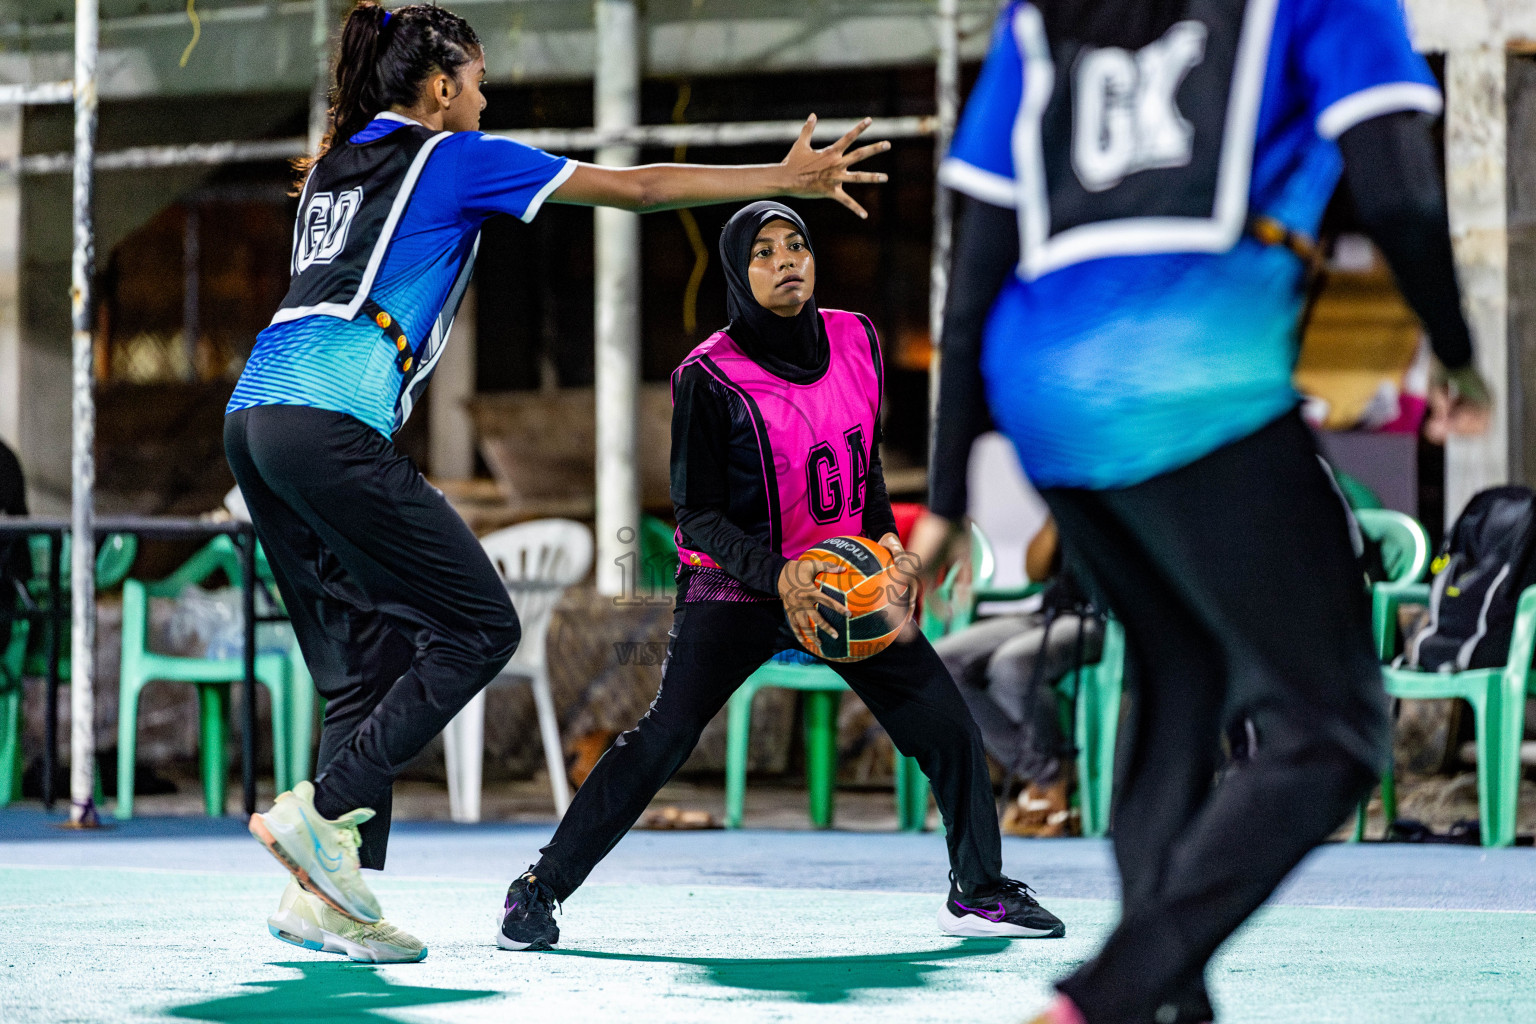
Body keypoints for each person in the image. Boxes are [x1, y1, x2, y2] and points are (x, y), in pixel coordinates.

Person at [234, 2, 890, 965]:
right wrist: (781, 179)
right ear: (444, 86)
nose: (488, 96)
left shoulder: (337, 167)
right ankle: (322, 813)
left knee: (360, 670)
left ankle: (330, 895)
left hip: (253, 423)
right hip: (328, 421)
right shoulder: (454, 155)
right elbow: (634, 188)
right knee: (483, 628)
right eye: (482, 79)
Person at [908, 1, 1491, 1022]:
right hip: (1195, 376)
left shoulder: (1045, 16)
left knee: (1180, 674)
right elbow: (1397, 190)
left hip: (1042, 396)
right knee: (1336, 728)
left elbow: (976, 267)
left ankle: (1170, 1005)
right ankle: (1108, 996)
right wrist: (1451, 347)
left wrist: (948, 491)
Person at [496, 201, 1066, 952]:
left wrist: (888, 551)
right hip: (737, 586)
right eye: (763, 252)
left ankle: (979, 890)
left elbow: (861, 470)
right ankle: (538, 890)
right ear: (738, 271)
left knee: (947, 723)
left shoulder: (856, 338)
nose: (786, 260)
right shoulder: (707, 377)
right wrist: (778, 575)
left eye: (796, 244)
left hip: (840, 584)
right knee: (663, 738)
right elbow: (695, 515)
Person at [933, 516, 1100, 838]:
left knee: (1012, 664)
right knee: (939, 664)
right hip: (1048, 613)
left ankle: (1050, 783)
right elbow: (1035, 572)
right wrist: (1056, 516)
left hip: (1101, 619)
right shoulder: (1077, 486)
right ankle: (1046, 777)